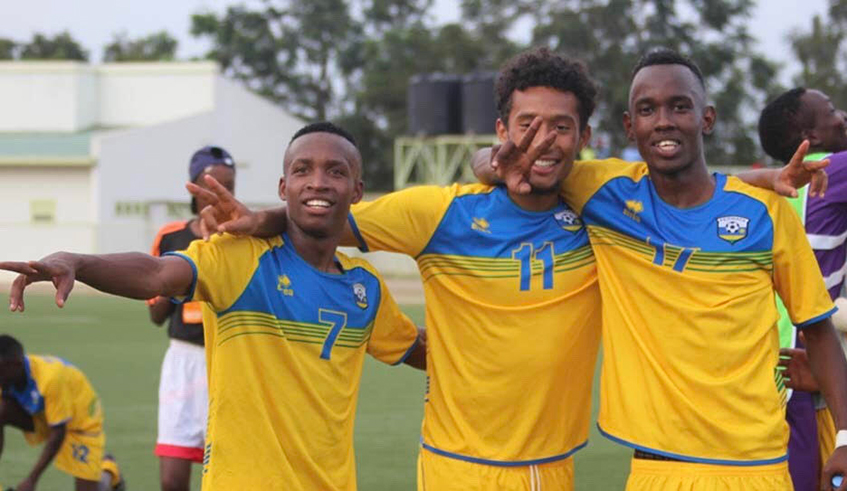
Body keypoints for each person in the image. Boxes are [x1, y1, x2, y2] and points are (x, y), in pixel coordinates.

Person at [186, 47, 827, 490]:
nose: (542, 141)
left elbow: (680, 182)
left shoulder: (601, 208)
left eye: (560, 127)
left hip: (558, 467)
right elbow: (325, 220)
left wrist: (760, 180)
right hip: (457, 466)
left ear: (585, 139)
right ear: (501, 130)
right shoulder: (436, 213)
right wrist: (262, 218)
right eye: (526, 125)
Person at [477, 48, 847, 490]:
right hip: (655, 470)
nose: (664, 121)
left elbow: (818, 329)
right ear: (629, 126)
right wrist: (492, 163)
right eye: (647, 110)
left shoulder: (766, 214)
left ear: (706, 118)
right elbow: (505, 161)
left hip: (756, 468)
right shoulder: (603, 192)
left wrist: (845, 437)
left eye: (680, 106)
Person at [0, 122, 426, 491]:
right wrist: (78, 262)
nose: (318, 182)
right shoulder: (238, 258)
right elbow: (155, 274)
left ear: (357, 191)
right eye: (302, 170)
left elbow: (418, 349)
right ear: (283, 188)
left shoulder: (364, 287)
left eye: (336, 171)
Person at [760, 87, 847, 490]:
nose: (843, 115)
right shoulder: (832, 168)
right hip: (805, 360)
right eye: (831, 111)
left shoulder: (786, 188)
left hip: (786, 357)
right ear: (810, 138)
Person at [147, 146, 235, 491]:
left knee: (232, 474)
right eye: (212, 184)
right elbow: (156, 315)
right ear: (194, 187)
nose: (221, 192)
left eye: (229, 185)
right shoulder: (171, 237)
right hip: (184, 363)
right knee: (172, 480)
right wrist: (183, 272)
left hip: (231, 361)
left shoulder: (244, 237)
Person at [0, 335, 123, 491]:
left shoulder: (50, 379)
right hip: (47, 414)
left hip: (81, 423)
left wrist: (31, 480)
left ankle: (108, 469)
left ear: (16, 364)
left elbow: (58, 433)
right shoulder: (8, 374)